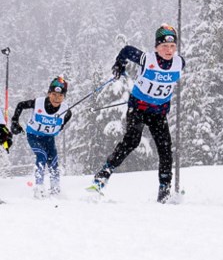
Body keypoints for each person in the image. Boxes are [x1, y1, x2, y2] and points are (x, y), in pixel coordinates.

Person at [88, 24, 185, 203]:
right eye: (164, 46)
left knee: (165, 150)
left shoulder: (180, 63)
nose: (169, 50)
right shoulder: (146, 59)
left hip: (158, 113)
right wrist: (119, 64)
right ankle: (103, 175)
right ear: (156, 47)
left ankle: (164, 191)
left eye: (172, 46)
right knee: (131, 141)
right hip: (138, 109)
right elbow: (126, 50)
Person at [10, 76, 73, 198]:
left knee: (53, 162)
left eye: (60, 96)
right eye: (54, 94)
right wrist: (14, 121)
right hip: (34, 136)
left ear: (64, 96)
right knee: (42, 155)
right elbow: (20, 105)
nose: (57, 98)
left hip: (49, 138)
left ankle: (55, 190)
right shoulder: (38, 102)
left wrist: (61, 125)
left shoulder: (65, 109)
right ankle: (39, 187)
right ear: (49, 93)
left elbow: (68, 115)